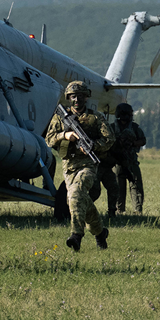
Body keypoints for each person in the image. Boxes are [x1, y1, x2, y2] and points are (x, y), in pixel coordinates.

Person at [45, 81, 114, 251]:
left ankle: (76, 235)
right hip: (69, 167)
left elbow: (109, 139)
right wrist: (65, 135)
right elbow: (49, 139)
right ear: (69, 98)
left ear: (86, 97)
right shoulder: (61, 117)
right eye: (73, 97)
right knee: (79, 200)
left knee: (75, 194)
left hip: (88, 165)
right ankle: (100, 233)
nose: (77, 100)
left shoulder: (96, 118)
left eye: (80, 96)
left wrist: (93, 146)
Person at [111, 103, 147, 215]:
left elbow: (143, 140)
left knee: (135, 185)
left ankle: (137, 210)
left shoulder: (134, 127)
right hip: (117, 162)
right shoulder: (112, 127)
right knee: (119, 188)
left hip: (131, 161)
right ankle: (119, 210)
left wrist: (132, 143)